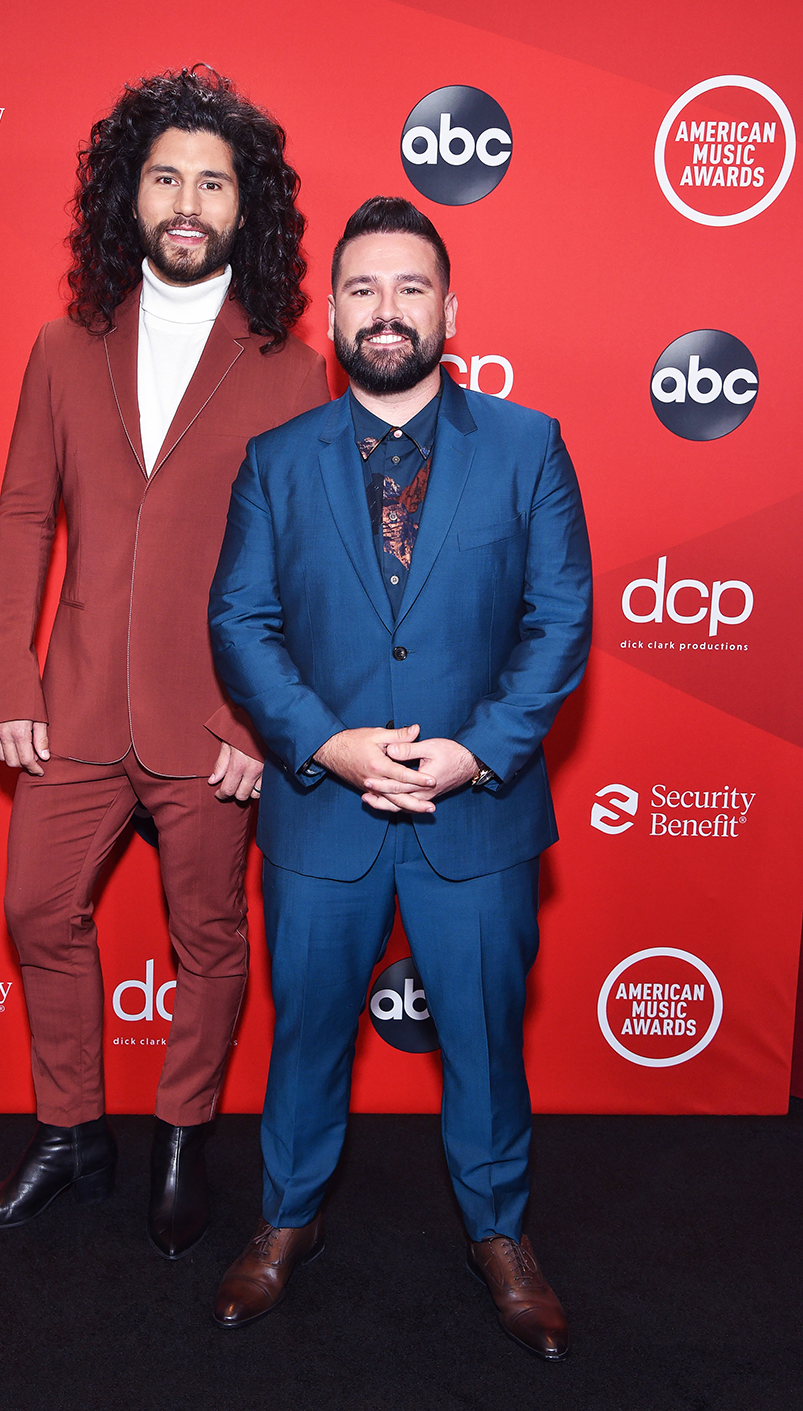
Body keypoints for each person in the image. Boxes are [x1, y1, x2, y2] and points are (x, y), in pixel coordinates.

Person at [0, 68, 328, 1257]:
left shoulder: (287, 364)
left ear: (242, 208)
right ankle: (71, 1135)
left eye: (213, 182)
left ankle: (178, 1137)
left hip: (210, 717)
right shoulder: (65, 346)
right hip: (69, 707)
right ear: (129, 195)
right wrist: (8, 682)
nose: (186, 199)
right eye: (166, 175)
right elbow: (20, 517)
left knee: (208, 936)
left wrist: (255, 721)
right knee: (35, 909)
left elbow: (305, 566)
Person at [208, 197, 591, 1357]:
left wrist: (475, 750)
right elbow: (240, 620)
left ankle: (499, 1232)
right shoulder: (274, 462)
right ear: (333, 312)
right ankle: (286, 1219)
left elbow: (559, 619)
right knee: (307, 1032)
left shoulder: (529, 446)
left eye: (410, 289)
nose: (387, 311)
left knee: (483, 1036)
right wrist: (328, 743)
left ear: (450, 309)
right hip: (324, 811)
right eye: (364, 289)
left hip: (474, 811)